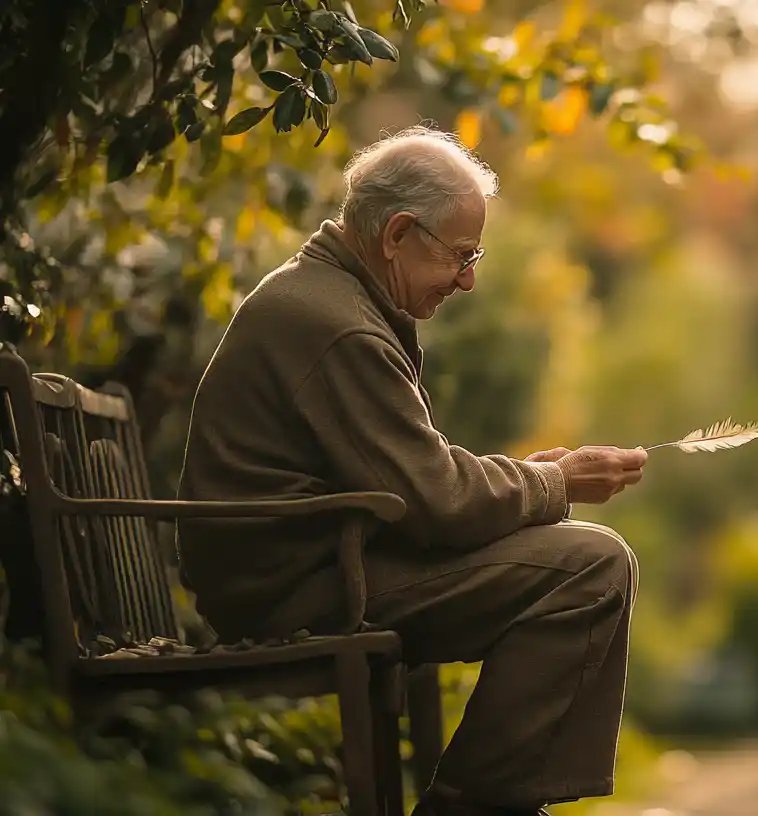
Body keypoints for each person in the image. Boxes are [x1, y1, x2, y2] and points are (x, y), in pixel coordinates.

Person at [173, 125, 649, 816]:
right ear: (397, 234)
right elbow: (436, 500)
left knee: (583, 560)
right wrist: (555, 483)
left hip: (323, 563)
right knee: (591, 567)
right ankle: (473, 808)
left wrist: (530, 478)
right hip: (300, 587)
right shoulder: (338, 325)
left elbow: (414, 477)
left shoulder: (332, 298)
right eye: (459, 255)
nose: (469, 278)